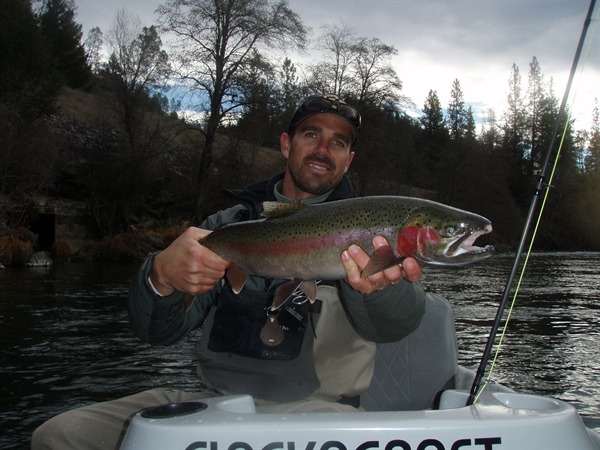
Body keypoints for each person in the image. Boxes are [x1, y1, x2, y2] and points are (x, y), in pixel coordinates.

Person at [32, 94, 426, 450]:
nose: (323, 149)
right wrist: (159, 278)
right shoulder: (226, 226)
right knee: (59, 435)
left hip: (320, 418)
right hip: (215, 406)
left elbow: (398, 324)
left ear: (348, 160)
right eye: (311, 134)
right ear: (286, 144)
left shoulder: (374, 233)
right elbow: (157, 333)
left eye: (338, 142)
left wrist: (379, 290)